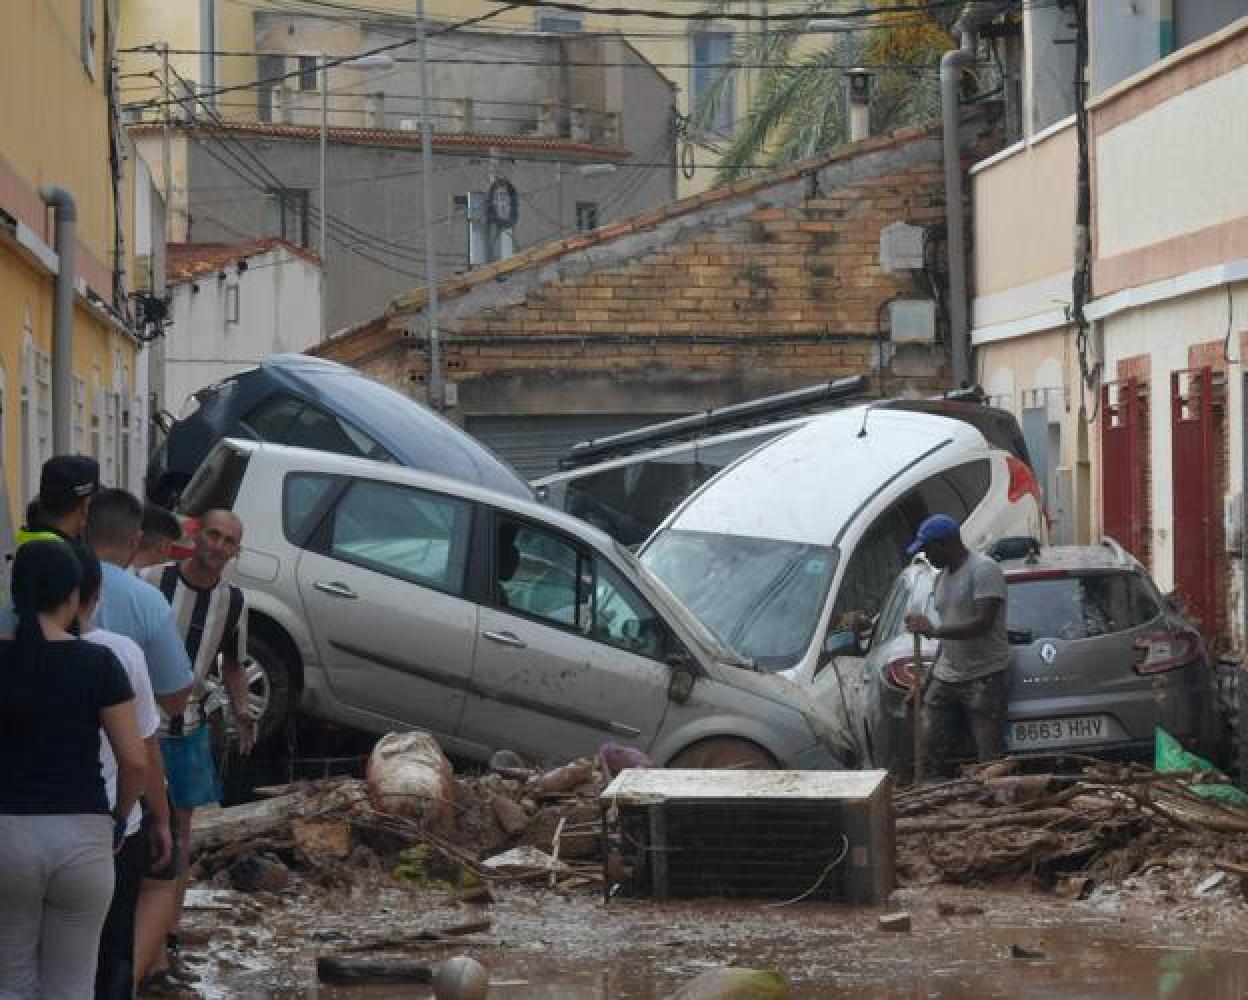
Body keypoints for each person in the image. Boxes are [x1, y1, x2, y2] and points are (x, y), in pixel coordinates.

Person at [0, 540, 146, 999]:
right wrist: (119, 818)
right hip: (82, 835)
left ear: (15, 595)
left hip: (8, 836)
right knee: (72, 985)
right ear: (72, 596)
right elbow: (135, 760)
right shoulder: (99, 662)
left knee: (11, 979)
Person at [138, 509, 252, 993]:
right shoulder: (149, 581)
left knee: (182, 834)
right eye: (213, 534)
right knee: (138, 830)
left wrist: (244, 712)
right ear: (196, 534)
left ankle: (169, 939)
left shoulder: (233, 602)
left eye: (228, 541)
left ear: (235, 551)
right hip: (141, 728)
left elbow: (232, 664)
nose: (218, 546)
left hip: (188, 730)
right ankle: (139, 943)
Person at [69, 544, 172, 1000]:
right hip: (109, 827)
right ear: (94, 595)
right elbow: (141, 753)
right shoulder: (118, 654)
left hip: (26, 827)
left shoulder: (12, 654)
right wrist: (152, 817)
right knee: (111, 952)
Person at [903, 514, 1010, 779]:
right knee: (930, 746)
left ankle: (989, 807)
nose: (927, 557)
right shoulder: (941, 579)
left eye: (928, 550)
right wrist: (925, 682)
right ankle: (934, 798)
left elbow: (983, 623)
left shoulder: (984, 570)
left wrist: (933, 630)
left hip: (984, 675)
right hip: (947, 675)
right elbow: (946, 637)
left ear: (945, 544)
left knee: (988, 755)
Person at [87, 490, 193, 716]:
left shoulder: (42, 578)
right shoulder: (148, 600)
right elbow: (175, 700)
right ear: (135, 540)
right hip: (114, 741)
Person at [132, 505, 184, 572]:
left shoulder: (117, 563)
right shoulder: (148, 578)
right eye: (170, 545)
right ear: (163, 547)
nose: (169, 552)